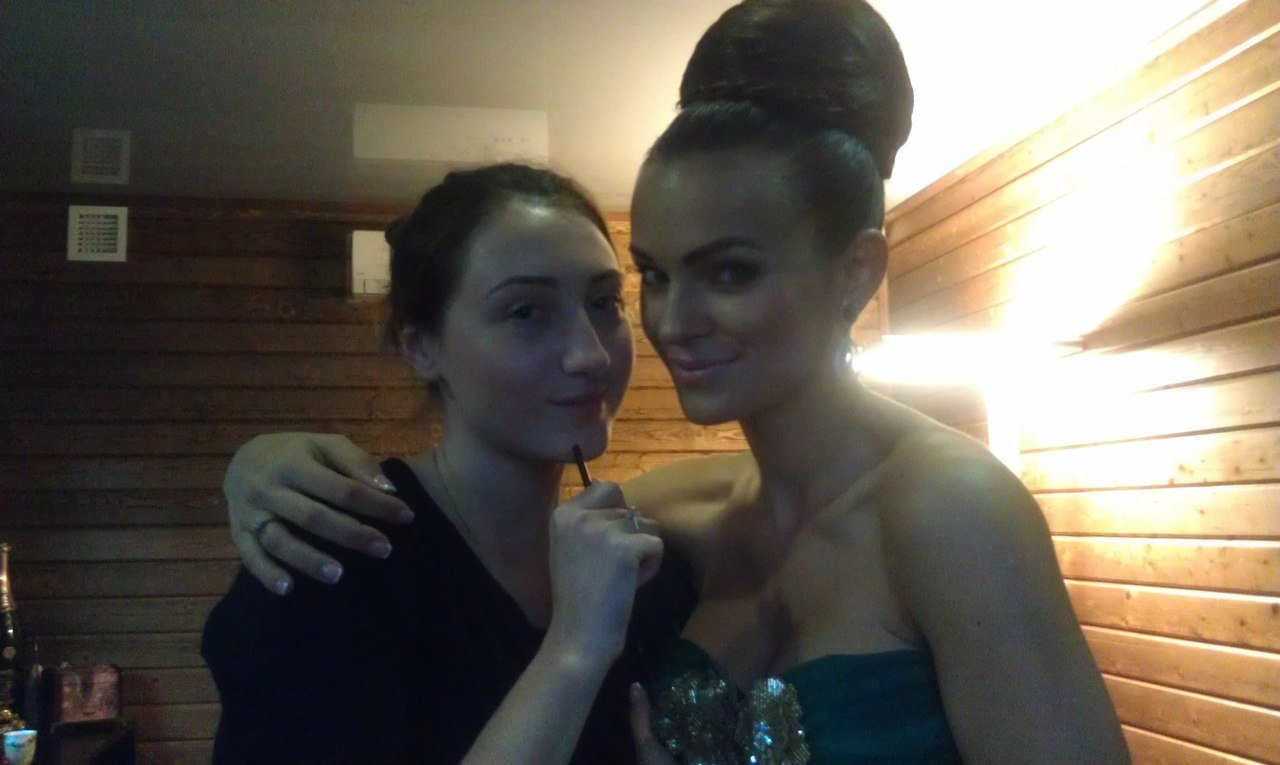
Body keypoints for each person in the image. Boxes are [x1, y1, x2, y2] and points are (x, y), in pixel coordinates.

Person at [217, 2, 1131, 763]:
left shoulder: (950, 507)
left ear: (856, 271)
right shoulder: (672, 522)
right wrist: (256, 462)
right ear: (421, 345)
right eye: (655, 275)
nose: (672, 321)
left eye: (729, 271)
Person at [200, 163, 698, 765]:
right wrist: (575, 648)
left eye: (603, 302)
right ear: (421, 347)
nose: (591, 355)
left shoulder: (644, 576)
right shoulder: (333, 564)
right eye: (526, 312)